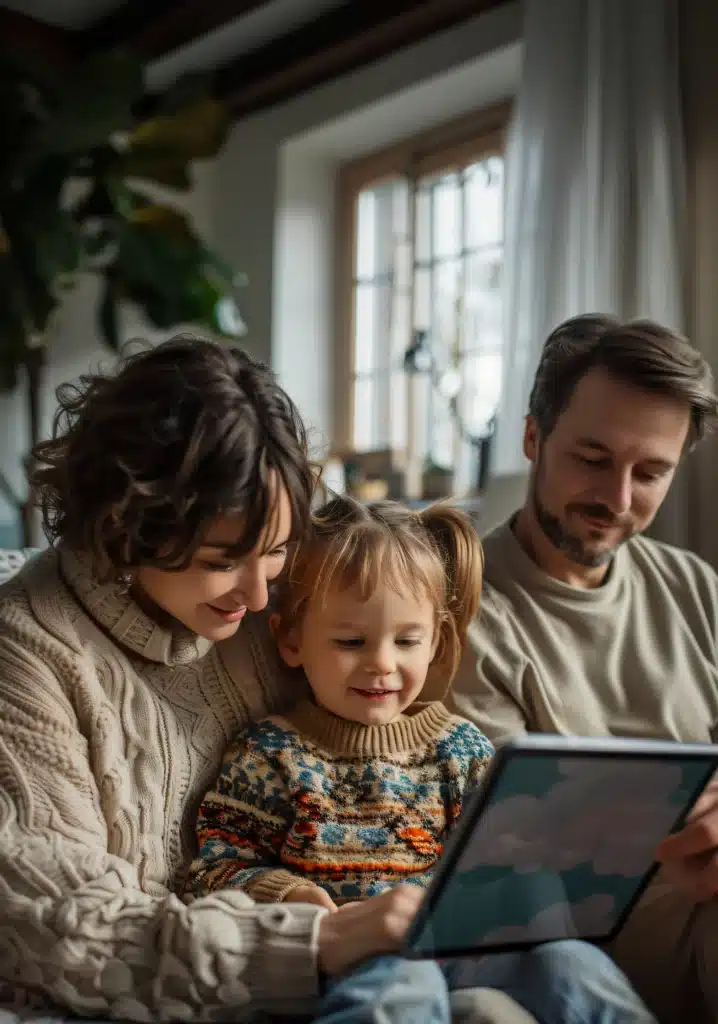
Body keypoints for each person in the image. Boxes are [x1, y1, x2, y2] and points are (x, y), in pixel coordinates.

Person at [0, 337, 510, 1024]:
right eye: (223, 560)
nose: (261, 598)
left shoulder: (260, 603)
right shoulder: (29, 651)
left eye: (274, 553)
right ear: (125, 524)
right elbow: (65, 927)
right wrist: (315, 940)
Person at [186, 494, 657, 1024]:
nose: (381, 665)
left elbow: (498, 869)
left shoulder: (462, 751)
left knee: (571, 964)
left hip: (464, 951)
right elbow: (213, 868)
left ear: (435, 641)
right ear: (292, 639)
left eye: (407, 640)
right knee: (400, 987)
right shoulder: (269, 754)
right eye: (351, 640)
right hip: (354, 956)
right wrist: (289, 892)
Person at [452, 314, 718, 1024]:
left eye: (651, 472)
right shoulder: (457, 611)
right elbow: (513, 855)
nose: (618, 500)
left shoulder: (694, 589)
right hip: (570, 958)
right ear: (534, 438)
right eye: (593, 459)